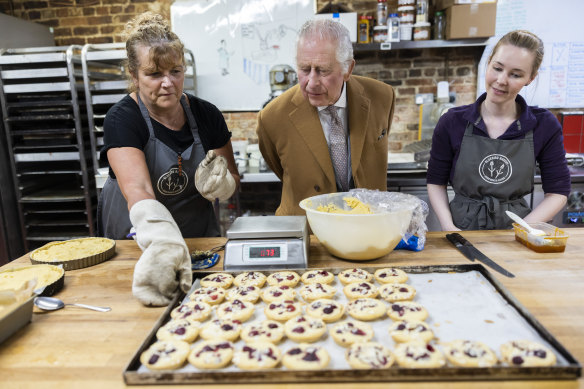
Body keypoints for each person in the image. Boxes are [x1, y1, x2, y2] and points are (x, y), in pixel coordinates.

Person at [98, 12, 239, 306]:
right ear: (133, 74)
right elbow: (139, 190)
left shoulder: (206, 114)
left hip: (199, 244)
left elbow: (233, 178)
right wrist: (162, 244)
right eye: (154, 74)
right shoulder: (122, 119)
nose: (168, 83)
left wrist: (223, 185)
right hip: (142, 245)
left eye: (175, 71)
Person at [427, 30, 570, 231]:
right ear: (488, 63)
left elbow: (558, 192)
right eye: (497, 68)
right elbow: (436, 182)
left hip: (517, 233)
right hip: (460, 232)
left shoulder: (544, 125)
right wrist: (449, 227)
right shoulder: (452, 121)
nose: (502, 80)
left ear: (530, 78)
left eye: (515, 74)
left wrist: (521, 230)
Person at [256, 19, 395, 215]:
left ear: (348, 69)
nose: (311, 83)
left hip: (368, 226)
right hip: (307, 230)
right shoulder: (272, 117)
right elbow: (279, 168)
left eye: (323, 70)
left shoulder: (383, 97)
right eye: (304, 69)